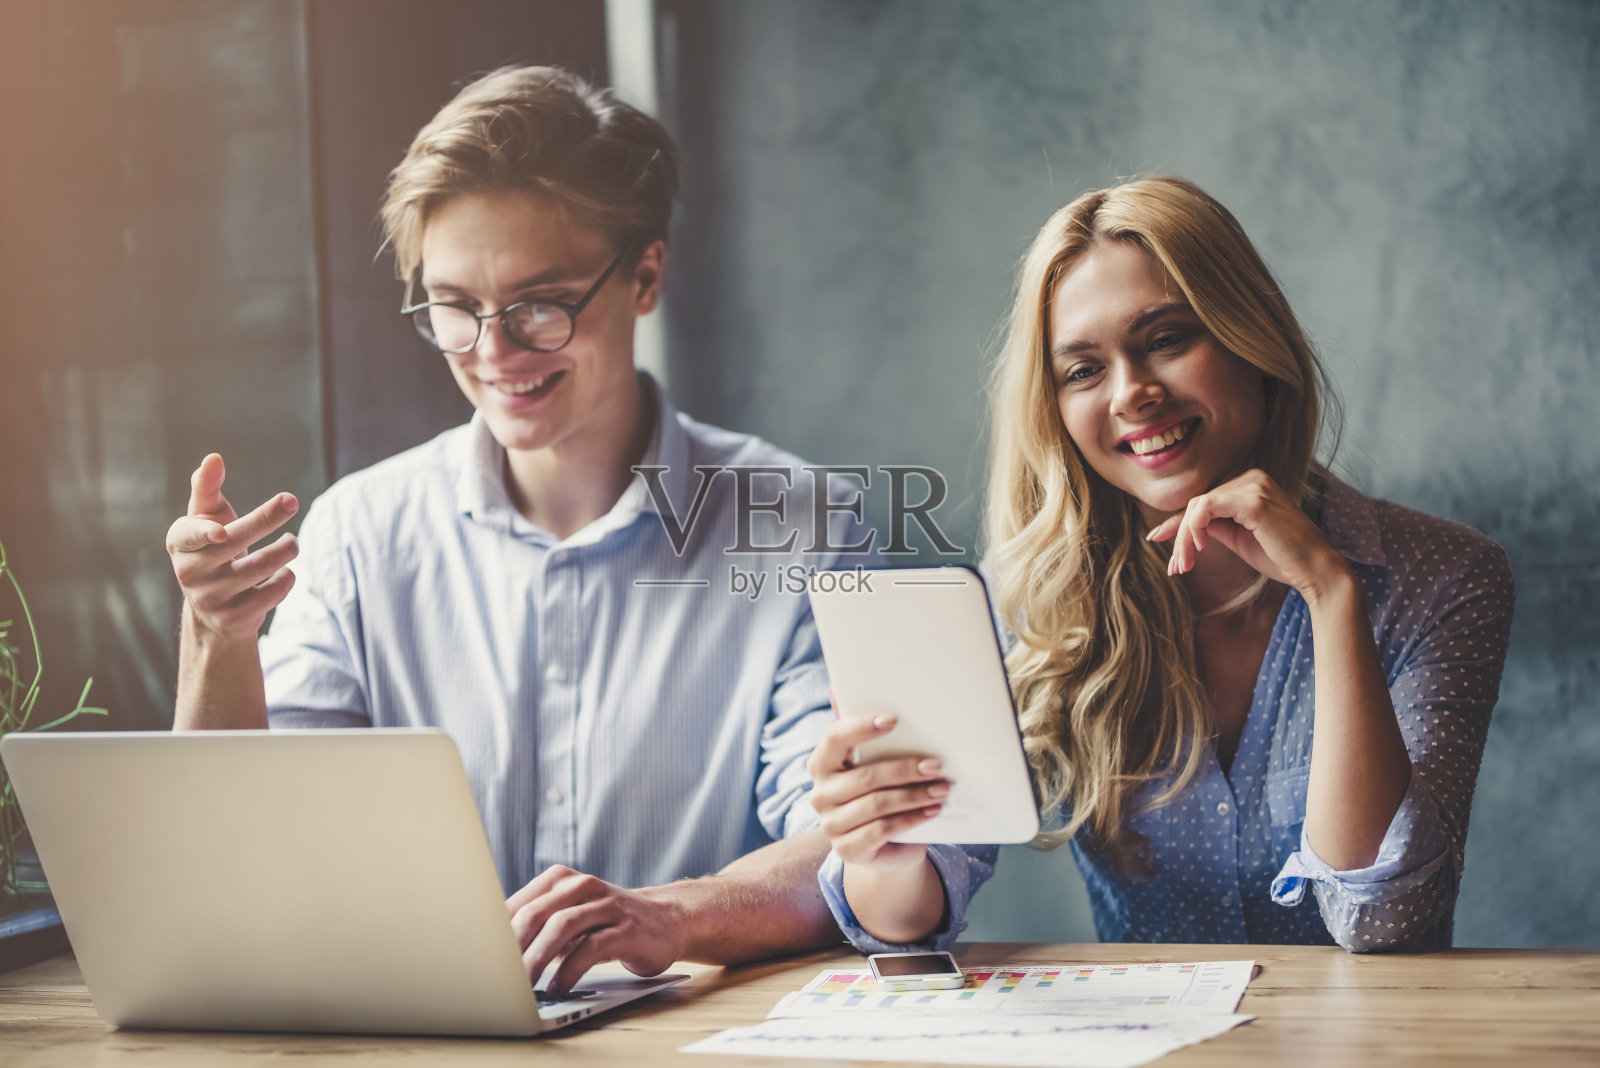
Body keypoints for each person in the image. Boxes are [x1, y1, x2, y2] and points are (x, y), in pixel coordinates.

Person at [164, 65, 860, 994]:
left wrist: (669, 917)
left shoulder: (802, 522)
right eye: (453, 306)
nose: (493, 353)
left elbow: (848, 835)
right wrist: (218, 637)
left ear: (645, 275)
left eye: (542, 304)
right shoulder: (360, 533)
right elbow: (245, 854)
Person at [807, 176, 1514, 953]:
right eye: (1082, 371)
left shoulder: (1446, 578)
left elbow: (1384, 922)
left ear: (1251, 337)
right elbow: (904, 918)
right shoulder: (1028, 598)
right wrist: (884, 845)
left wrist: (1330, 592)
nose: (1132, 394)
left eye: (1169, 338)